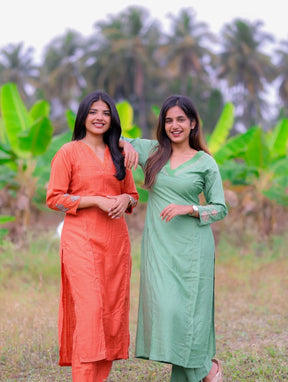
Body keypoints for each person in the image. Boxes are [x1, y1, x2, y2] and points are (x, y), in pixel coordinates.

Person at [119, 94, 228, 382]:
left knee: (188, 315)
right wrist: (125, 147)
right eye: (168, 120)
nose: (174, 125)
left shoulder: (205, 162)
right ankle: (208, 368)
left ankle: (206, 370)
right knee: (167, 312)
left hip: (193, 248)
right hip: (159, 247)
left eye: (181, 119)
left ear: (193, 123)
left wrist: (190, 208)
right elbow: (116, 137)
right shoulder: (153, 151)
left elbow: (220, 208)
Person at [46, 90, 139, 382]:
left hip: (116, 242)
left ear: (112, 119)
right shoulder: (68, 152)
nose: (99, 118)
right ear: (83, 116)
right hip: (80, 240)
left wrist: (126, 201)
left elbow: (133, 195)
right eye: (93, 112)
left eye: (106, 113)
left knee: (110, 313)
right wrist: (94, 200)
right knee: (90, 312)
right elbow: (54, 198)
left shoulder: (120, 153)